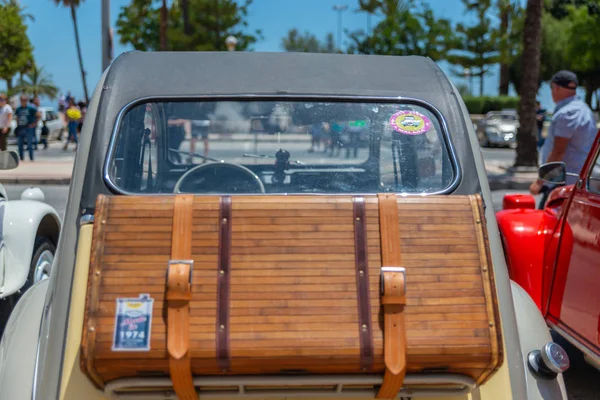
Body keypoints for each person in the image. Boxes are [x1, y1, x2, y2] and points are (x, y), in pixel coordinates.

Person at [529, 70, 598, 208]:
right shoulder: (583, 109)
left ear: (557, 88)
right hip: (577, 181)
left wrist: (540, 181)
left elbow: (558, 151)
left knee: (546, 223)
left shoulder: (567, 113)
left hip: (563, 184)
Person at [14, 95, 38, 161]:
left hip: (28, 128)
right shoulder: (18, 109)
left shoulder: (30, 108)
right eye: (22, 100)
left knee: (29, 144)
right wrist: (17, 124)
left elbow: (38, 114)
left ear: (26, 101)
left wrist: (34, 124)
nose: (23, 102)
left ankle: (31, 158)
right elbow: (17, 117)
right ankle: (21, 159)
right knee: (20, 145)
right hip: (21, 128)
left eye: (24, 100)